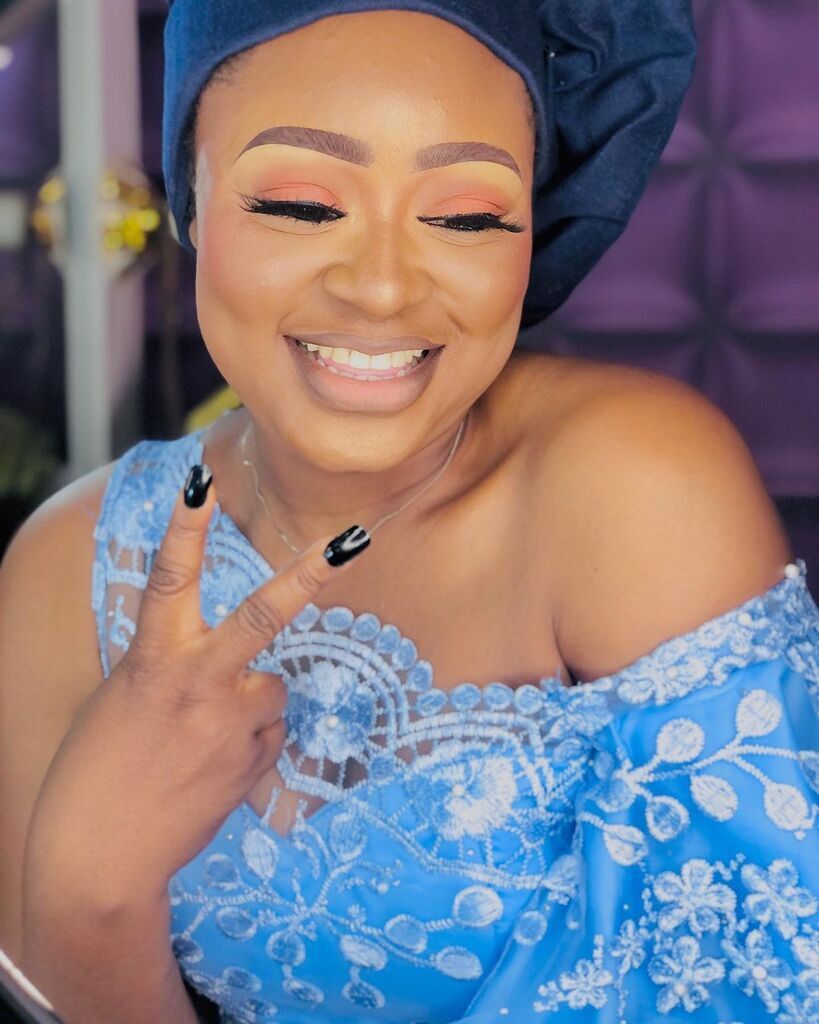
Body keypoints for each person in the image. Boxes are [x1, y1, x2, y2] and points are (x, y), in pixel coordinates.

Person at [1, 1, 817, 1022]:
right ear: (191, 203)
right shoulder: (66, 566)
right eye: (301, 205)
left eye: (466, 217)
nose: (382, 289)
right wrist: (91, 890)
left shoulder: (634, 484)